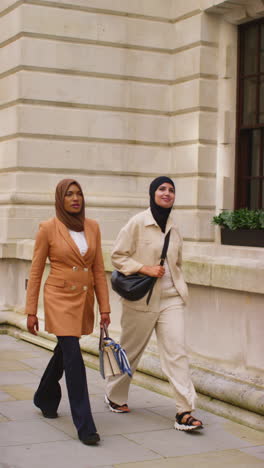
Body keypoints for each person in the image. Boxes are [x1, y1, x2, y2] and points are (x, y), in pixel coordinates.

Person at [105, 176, 203, 431]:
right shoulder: (138, 222)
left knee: (177, 353)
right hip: (142, 300)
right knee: (129, 351)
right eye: (162, 189)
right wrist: (144, 268)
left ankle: (185, 411)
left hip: (171, 299)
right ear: (153, 193)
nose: (167, 193)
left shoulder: (174, 226)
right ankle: (114, 396)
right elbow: (117, 256)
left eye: (171, 190)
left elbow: (177, 261)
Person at [25, 179, 111, 445]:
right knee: (74, 358)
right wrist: (31, 311)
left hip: (83, 300)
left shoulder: (93, 227)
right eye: (69, 194)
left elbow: (98, 270)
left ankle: (43, 396)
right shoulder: (48, 229)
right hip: (59, 298)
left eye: (79, 194)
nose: (76, 198)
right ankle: (85, 425)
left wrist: (105, 308)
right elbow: (36, 271)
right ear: (60, 199)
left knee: (65, 349)